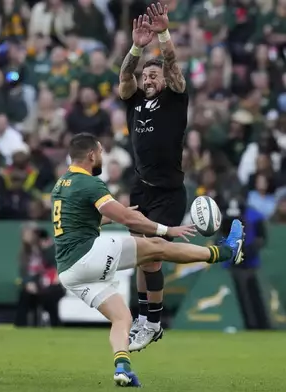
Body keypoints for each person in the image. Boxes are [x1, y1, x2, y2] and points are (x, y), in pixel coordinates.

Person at [51, 133, 244, 387]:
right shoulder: (90, 184)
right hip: (86, 254)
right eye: (100, 152)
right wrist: (166, 230)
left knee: (122, 318)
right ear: (91, 155)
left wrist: (114, 216)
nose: (102, 157)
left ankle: (122, 368)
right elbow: (129, 220)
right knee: (157, 247)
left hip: (69, 272)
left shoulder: (61, 184)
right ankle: (226, 252)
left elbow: (81, 220)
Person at [118, 4, 189, 351]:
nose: (148, 79)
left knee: (152, 256)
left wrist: (162, 35)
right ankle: (144, 320)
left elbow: (172, 64)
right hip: (141, 188)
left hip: (169, 193)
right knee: (140, 256)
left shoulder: (175, 99)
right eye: (146, 76)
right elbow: (124, 78)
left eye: (153, 76)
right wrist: (136, 48)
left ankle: (154, 324)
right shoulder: (134, 103)